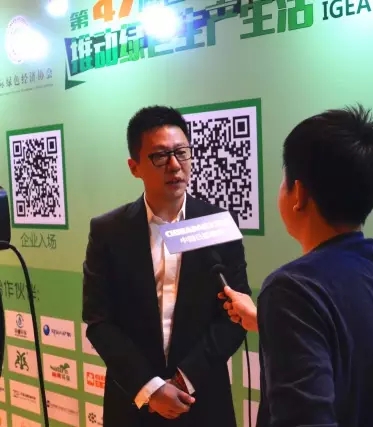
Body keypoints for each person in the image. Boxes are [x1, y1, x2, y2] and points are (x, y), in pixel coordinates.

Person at [220, 104, 373, 427]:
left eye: (284, 178)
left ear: (298, 194)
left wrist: (279, 317)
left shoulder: (291, 290)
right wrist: (267, 322)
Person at [82, 105, 250, 427]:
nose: (174, 165)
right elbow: (99, 321)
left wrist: (184, 380)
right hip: (134, 401)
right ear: (134, 167)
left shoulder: (217, 225)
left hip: (202, 398)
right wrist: (151, 388)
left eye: (181, 152)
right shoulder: (108, 232)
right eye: (160, 156)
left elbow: (234, 316)